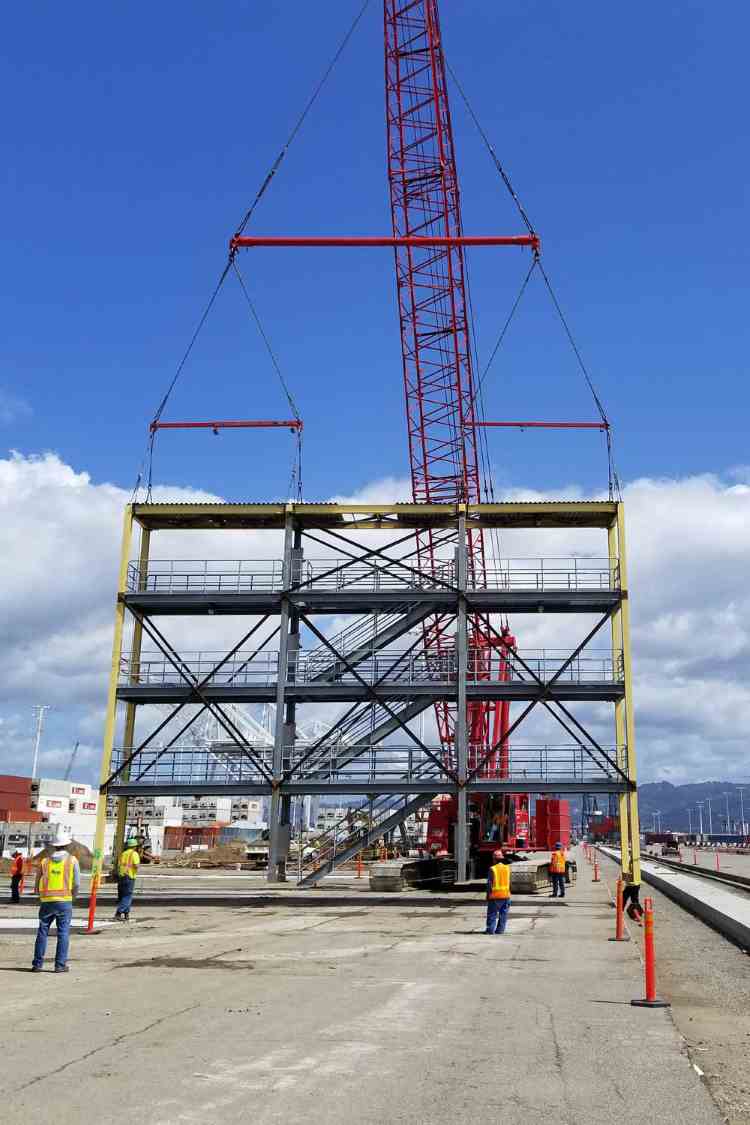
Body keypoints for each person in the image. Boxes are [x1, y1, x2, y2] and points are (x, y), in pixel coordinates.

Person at [32, 827, 80, 973]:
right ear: (67, 845)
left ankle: (37, 964)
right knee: (63, 933)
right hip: (64, 900)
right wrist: (74, 896)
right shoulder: (72, 860)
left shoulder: (45, 861)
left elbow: (37, 880)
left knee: (42, 931)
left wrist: (38, 893)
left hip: (47, 901)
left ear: (54, 845)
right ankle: (59, 965)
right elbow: (76, 883)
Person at [114, 837, 141, 921]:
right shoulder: (134, 854)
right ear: (134, 846)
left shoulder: (123, 853)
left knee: (123, 896)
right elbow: (136, 865)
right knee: (127, 896)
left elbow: (119, 865)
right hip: (129, 876)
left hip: (121, 876)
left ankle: (126, 914)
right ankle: (118, 913)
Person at [485, 848, 511, 935]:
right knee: (503, 914)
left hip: (495, 896)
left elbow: (489, 884)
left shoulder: (492, 869)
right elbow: (509, 882)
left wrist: (488, 895)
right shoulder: (507, 868)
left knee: (492, 914)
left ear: (494, 859)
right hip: (506, 895)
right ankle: (500, 930)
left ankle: (490, 930)